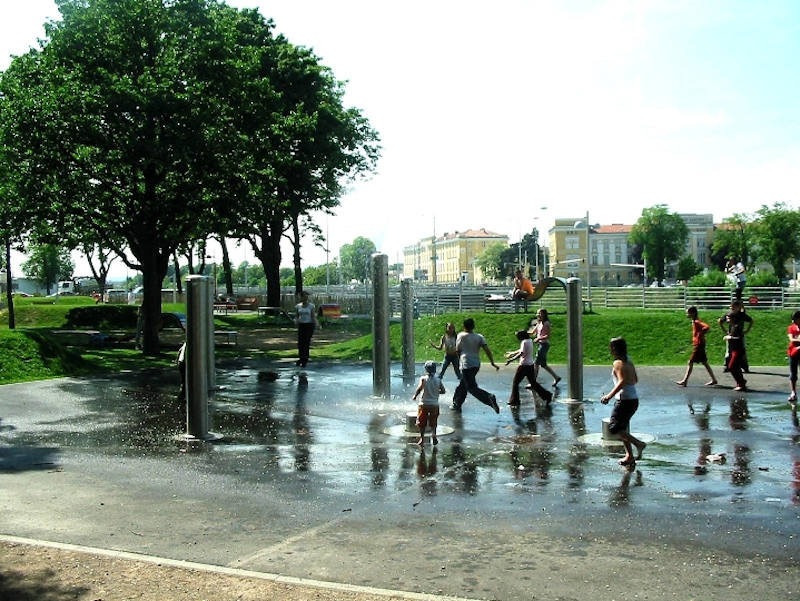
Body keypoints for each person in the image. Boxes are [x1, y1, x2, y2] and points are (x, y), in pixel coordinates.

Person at [600, 337, 647, 466]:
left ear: (614, 349)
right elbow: (635, 379)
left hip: (624, 400)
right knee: (623, 427)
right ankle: (629, 456)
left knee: (614, 428)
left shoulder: (618, 363)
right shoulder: (628, 360)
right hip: (633, 399)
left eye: (611, 348)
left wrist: (608, 396)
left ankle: (639, 444)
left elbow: (621, 382)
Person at [451, 317, 501, 413]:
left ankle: (489, 397)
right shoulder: (479, 337)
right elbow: (487, 350)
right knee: (463, 385)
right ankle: (457, 403)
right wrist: (492, 363)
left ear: (464, 326)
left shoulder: (461, 335)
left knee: (471, 388)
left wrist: (460, 360)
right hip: (476, 365)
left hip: (466, 364)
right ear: (473, 326)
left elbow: (457, 350)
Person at [505, 330, 552, 405]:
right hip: (530, 365)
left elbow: (521, 353)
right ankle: (547, 395)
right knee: (533, 383)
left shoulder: (524, 342)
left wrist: (511, 360)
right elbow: (522, 350)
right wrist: (512, 353)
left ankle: (514, 400)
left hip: (523, 365)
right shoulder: (529, 341)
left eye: (518, 336)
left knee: (516, 382)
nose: (517, 338)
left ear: (521, 336)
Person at [675, 306, 718, 387]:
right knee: (704, 362)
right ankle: (714, 379)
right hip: (699, 343)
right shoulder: (694, 321)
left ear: (693, 313)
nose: (687, 314)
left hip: (699, 344)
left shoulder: (697, 321)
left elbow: (707, 327)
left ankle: (685, 381)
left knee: (690, 362)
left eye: (688, 312)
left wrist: (700, 334)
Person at [718, 300, 752, 391]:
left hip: (738, 350)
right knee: (735, 367)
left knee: (732, 367)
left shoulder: (736, 328)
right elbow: (720, 321)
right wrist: (728, 335)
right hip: (734, 349)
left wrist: (729, 337)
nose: (727, 319)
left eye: (729, 318)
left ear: (733, 319)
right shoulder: (732, 327)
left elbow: (738, 338)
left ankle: (741, 382)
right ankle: (741, 383)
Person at [412, 360, 446, 446]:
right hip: (434, 405)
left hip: (424, 404)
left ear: (426, 369)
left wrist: (415, 396)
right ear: (435, 370)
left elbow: (419, 389)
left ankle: (422, 439)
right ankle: (434, 435)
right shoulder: (438, 380)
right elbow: (443, 391)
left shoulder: (423, 379)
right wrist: (436, 392)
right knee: (433, 421)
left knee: (422, 422)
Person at [529, 308, 562, 387]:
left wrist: (538, 338)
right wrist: (522, 333)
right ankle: (556, 377)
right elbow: (532, 332)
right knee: (543, 365)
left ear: (544, 314)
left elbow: (547, 335)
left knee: (536, 363)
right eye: (537, 313)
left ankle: (533, 382)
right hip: (540, 345)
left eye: (539, 313)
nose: (538, 315)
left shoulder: (546, 323)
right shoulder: (539, 323)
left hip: (544, 345)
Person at [294, 291, 318, 367]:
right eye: (303, 296)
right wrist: (296, 321)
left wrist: (317, 324)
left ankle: (305, 359)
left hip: (309, 325)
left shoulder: (311, 306)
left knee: (306, 342)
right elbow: (297, 316)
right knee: (300, 343)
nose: (305, 298)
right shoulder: (298, 306)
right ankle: (301, 358)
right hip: (301, 325)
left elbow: (313, 316)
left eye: (306, 296)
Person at [787, 311, 800, 404]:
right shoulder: (791, 328)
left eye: (795, 319)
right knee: (793, 373)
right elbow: (791, 339)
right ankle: (793, 392)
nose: (793, 321)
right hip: (793, 352)